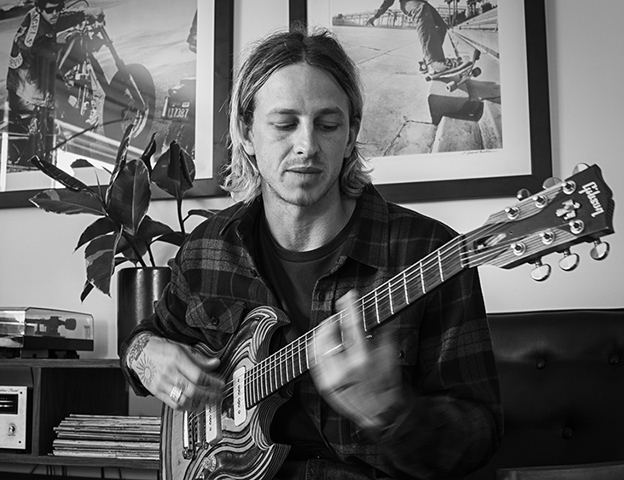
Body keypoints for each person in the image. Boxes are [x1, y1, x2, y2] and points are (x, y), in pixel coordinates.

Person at [120, 27, 503, 479]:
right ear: (246, 132)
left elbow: (479, 437)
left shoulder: (430, 253)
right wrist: (143, 354)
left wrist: (392, 412)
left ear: (351, 134)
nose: (307, 145)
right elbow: (148, 337)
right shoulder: (208, 249)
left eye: (328, 125)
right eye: (284, 124)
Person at [6, 0, 102, 161]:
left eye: (58, 8)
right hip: (31, 94)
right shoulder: (39, 38)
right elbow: (49, 72)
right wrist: (67, 92)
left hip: (17, 88)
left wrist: (85, 13)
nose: (55, 13)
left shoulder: (35, 15)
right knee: (76, 123)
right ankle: (81, 162)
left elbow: (58, 19)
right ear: (40, 8)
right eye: (50, 10)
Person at [367, 0, 456, 74]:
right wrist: (376, 16)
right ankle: (434, 63)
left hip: (422, 2)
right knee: (421, 8)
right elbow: (388, 1)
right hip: (408, 2)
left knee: (441, 25)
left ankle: (428, 59)